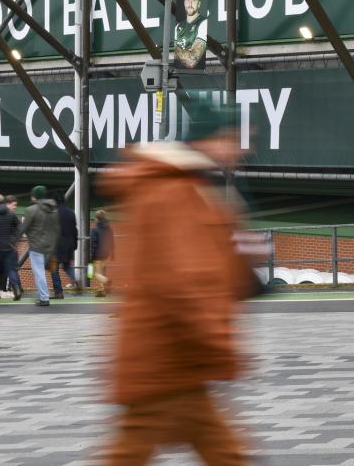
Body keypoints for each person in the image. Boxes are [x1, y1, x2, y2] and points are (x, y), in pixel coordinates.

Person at [99, 99, 258, 464]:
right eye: (235, 138)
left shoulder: (187, 186)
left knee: (223, 450)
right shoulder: (177, 192)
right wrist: (220, 344)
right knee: (135, 451)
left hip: (173, 356)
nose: (242, 148)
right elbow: (185, 281)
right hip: (166, 355)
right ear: (212, 139)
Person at [19, 185, 60, 307]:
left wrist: (14, 240)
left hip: (36, 245)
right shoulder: (54, 209)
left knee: (39, 272)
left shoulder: (31, 210)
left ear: (34, 197)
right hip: (50, 246)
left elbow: (23, 228)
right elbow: (57, 229)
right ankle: (43, 295)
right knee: (43, 271)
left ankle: (43, 297)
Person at [0, 193, 21, 301]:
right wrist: (13, 241)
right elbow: (19, 228)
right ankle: (16, 288)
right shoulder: (12, 214)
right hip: (9, 247)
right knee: (11, 270)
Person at [50, 193, 79, 299]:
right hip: (69, 244)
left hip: (57, 245)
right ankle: (76, 279)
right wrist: (75, 244)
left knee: (54, 268)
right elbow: (75, 230)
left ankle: (58, 292)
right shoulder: (71, 213)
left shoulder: (53, 213)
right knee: (67, 266)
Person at [173, 0, 208, 70]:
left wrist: (176, 49)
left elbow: (192, 60)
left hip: (197, 75)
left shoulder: (204, 23)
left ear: (199, 4)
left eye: (194, 0)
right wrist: (184, 52)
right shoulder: (178, 27)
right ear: (184, 2)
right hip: (179, 74)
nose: (190, 3)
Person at [90, 209, 115, 297]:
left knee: (96, 273)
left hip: (98, 254)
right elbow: (111, 241)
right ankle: (101, 291)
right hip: (106, 253)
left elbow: (93, 244)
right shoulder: (109, 229)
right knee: (101, 272)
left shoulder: (94, 230)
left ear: (97, 219)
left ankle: (106, 281)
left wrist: (92, 255)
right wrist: (112, 253)